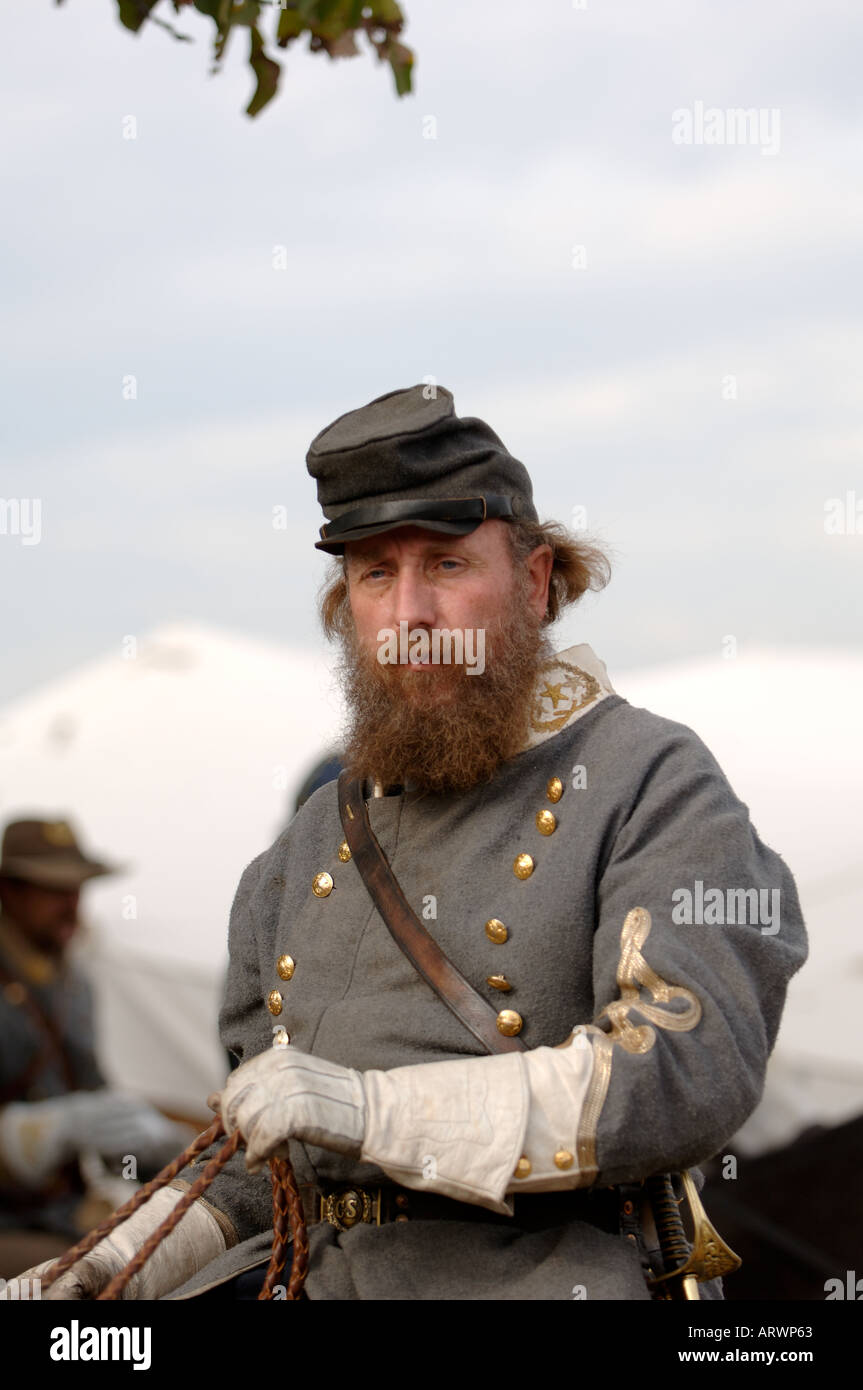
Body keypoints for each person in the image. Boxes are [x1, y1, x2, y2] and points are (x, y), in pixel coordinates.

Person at [8, 384, 807, 1301]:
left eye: (446, 565)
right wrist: (104, 1270)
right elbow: (258, 1170)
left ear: (537, 582)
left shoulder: (649, 780)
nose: (409, 614)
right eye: (374, 573)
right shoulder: (307, 843)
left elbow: (678, 1075)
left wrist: (373, 1110)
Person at [0, 817, 194, 1278]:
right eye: (54, 889)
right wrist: (23, 1138)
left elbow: (93, 1095)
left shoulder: (75, 984)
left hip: (60, 1213)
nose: (72, 904)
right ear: (10, 890)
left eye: (78, 889)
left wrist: (142, 1147)